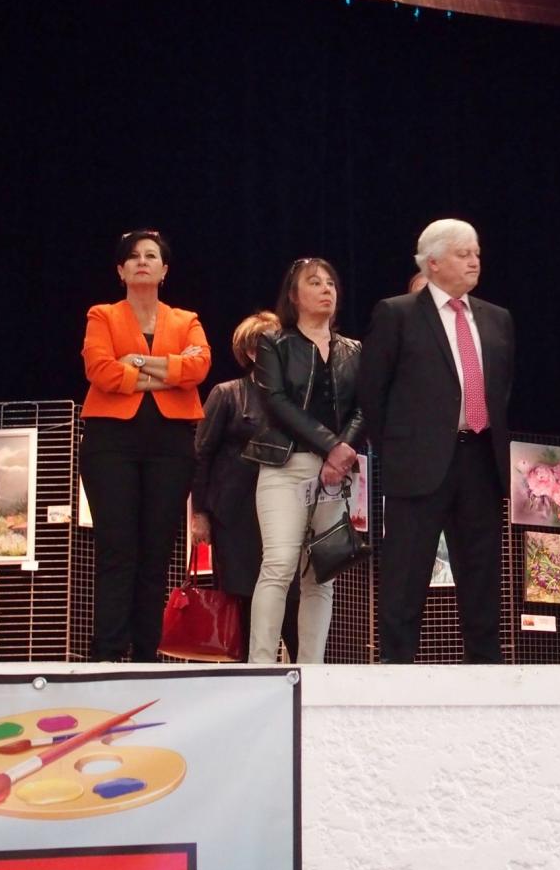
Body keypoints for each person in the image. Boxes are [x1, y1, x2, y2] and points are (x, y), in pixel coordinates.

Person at [358, 219, 515, 664]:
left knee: (482, 572)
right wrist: (398, 449)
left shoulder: (498, 319)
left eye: (477, 253)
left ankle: (485, 666)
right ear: (433, 262)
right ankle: (396, 664)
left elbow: (500, 389)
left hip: (481, 458)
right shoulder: (398, 313)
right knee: (406, 571)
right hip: (418, 462)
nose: (474, 261)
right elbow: (373, 391)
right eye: (463, 253)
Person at [79, 230, 211, 661]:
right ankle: (107, 649)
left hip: (171, 443)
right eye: (132, 257)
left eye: (151, 256)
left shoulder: (185, 318)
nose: (141, 261)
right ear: (120, 270)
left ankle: (147, 651)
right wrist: (169, 371)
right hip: (111, 442)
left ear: (164, 269)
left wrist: (134, 362)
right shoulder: (102, 315)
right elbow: (100, 370)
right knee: (117, 548)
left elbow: (199, 367)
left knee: (156, 552)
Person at [244, 258, 365, 663]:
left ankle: (312, 670)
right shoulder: (274, 341)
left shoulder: (353, 350)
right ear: (294, 296)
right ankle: (260, 664)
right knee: (278, 564)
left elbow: (363, 408)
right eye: (315, 283)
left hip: (336, 474)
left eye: (331, 282)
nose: (326, 289)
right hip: (285, 466)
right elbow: (276, 402)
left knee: (322, 575)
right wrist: (332, 445)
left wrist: (342, 451)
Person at [190, 310, 299, 657]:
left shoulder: (295, 399)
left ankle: (304, 673)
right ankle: (249, 670)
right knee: (244, 596)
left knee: (293, 597)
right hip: (236, 516)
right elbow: (201, 455)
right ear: (252, 352)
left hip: (286, 509)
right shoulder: (227, 394)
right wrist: (201, 513)